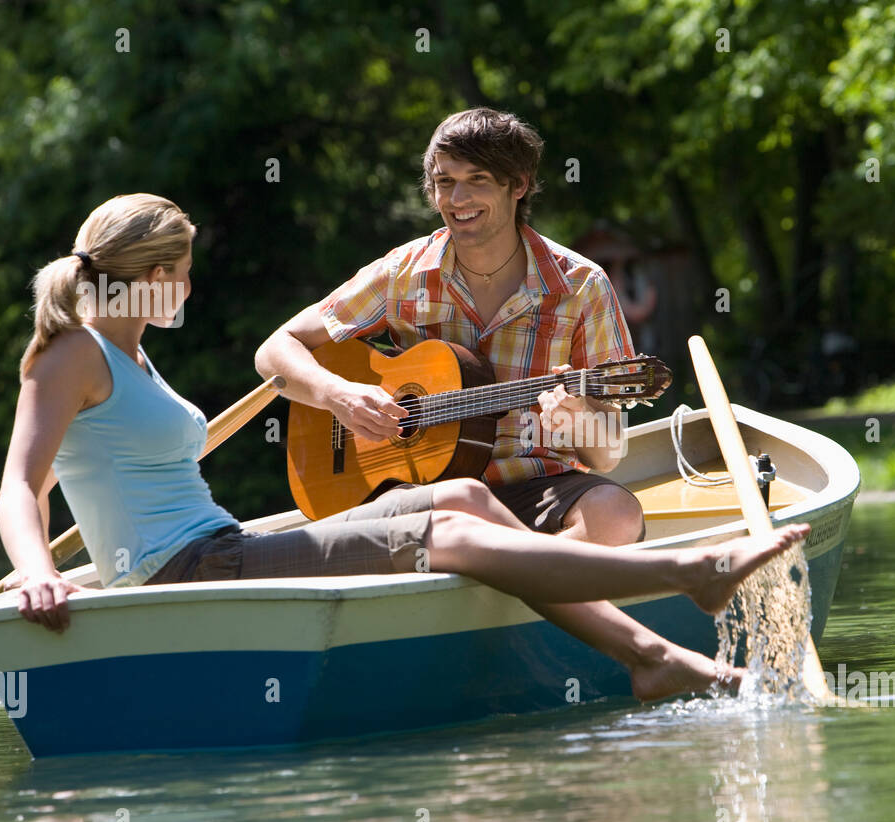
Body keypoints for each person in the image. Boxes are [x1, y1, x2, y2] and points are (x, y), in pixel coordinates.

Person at [0, 194, 811, 702]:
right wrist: (37, 572)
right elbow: (20, 489)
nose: (188, 287)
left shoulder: (136, 355)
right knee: (444, 533)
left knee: (462, 497)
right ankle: (680, 586)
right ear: (149, 272)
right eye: (180, 271)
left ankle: (644, 656)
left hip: (219, 546)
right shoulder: (74, 353)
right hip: (195, 569)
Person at [255, 108, 647, 546]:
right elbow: (274, 351)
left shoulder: (581, 285)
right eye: (445, 182)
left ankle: (513, 560)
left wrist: (579, 421)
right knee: (453, 509)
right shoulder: (401, 272)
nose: (457, 198)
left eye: (477, 179)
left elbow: (608, 454)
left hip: (536, 487)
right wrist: (339, 395)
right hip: (420, 493)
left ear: (517, 185)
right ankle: (539, 566)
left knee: (616, 515)